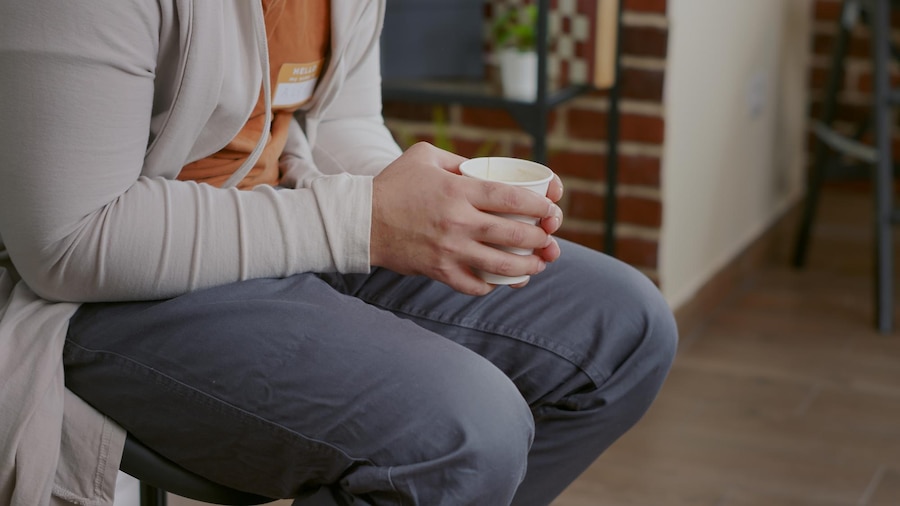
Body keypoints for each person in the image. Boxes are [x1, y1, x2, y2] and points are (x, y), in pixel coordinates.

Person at [0, 1, 677, 505]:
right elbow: (69, 239)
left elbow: (337, 122)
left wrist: (440, 204)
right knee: (467, 433)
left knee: (623, 329)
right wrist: (370, 220)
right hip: (104, 286)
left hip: (276, 221)